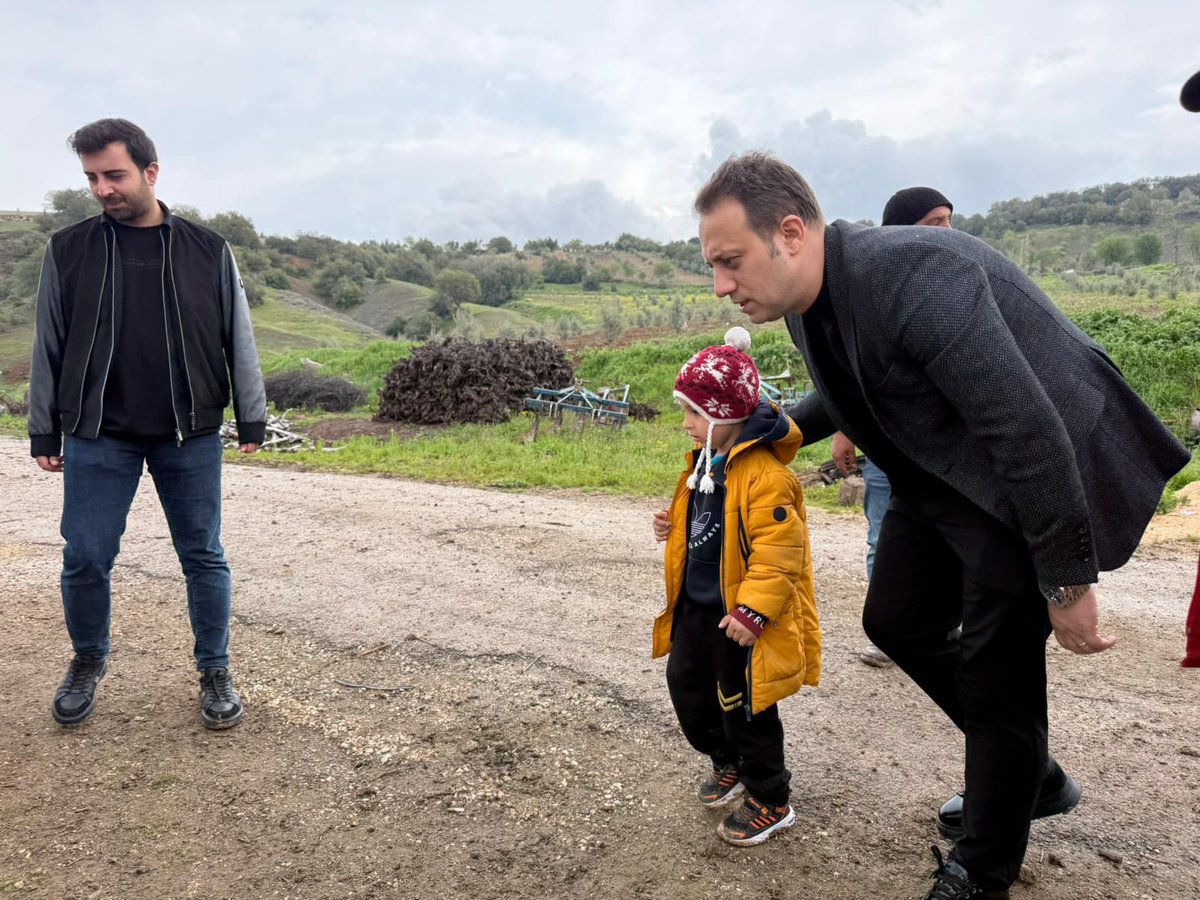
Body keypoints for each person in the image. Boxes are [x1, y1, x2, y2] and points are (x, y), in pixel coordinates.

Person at [693, 152, 1189, 898]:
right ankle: (1034, 776)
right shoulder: (803, 301)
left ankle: (983, 869)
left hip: (1019, 477)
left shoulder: (921, 275)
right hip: (940, 476)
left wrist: (1066, 577)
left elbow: (1027, 431)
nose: (721, 285)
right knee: (895, 619)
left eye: (729, 261)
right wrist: (764, 438)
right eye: (713, 266)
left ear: (790, 233)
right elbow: (844, 388)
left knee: (999, 681)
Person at [28, 118, 267, 730]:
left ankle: (215, 669)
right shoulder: (69, 248)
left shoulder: (207, 248)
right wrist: (43, 431)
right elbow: (48, 342)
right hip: (96, 433)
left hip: (188, 433)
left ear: (150, 172)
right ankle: (87, 660)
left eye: (114, 175)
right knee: (84, 556)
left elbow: (237, 334)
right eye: (91, 178)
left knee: (203, 556)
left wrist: (251, 416)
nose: (103, 189)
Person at [651, 326, 821, 847]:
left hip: (739, 618)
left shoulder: (766, 476)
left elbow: (778, 553)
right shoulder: (707, 462)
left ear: (727, 415)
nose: (686, 424)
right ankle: (727, 762)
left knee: (744, 706)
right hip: (696, 612)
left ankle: (770, 795)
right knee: (688, 690)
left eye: (694, 413)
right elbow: (711, 527)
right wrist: (673, 525)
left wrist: (753, 613)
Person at [833, 186, 956, 669]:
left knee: (951, 545)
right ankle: (892, 632)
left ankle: (942, 629)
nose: (948, 232)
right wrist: (845, 428)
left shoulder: (955, 288)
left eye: (949, 220)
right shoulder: (873, 296)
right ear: (899, 232)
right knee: (882, 536)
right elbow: (849, 374)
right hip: (888, 453)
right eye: (934, 223)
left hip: (945, 457)